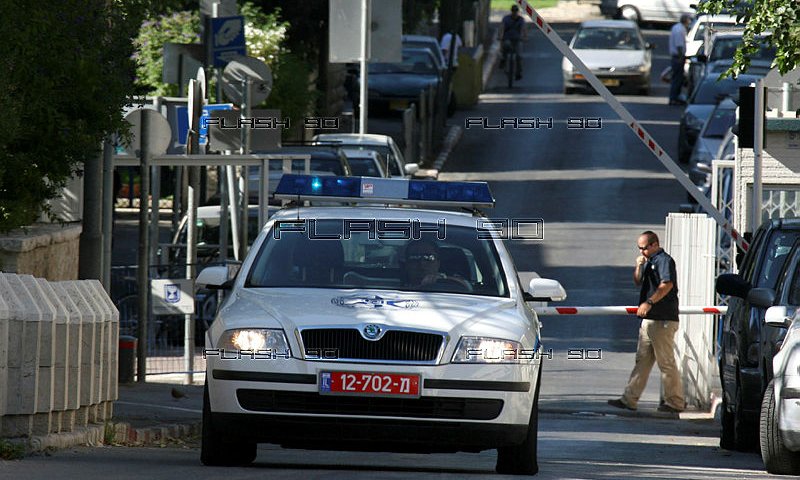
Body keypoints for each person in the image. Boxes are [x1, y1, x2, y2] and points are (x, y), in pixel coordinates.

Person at [608, 231, 686, 414]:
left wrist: (649, 302)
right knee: (642, 361)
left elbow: (667, 285)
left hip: (662, 319)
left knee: (666, 362)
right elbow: (638, 281)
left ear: (654, 244)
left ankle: (674, 402)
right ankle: (629, 399)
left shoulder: (664, 260)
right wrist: (638, 266)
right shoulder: (648, 261)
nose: (642, 251)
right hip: (649, 320)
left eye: (644, 248)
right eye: (639, 248)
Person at [403, 240, 470, 290]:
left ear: (438, 263)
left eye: (429, 257)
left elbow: (468, 287)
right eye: (414, 257)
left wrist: (442, 281)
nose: (422, 263)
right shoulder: (393, 286)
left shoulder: (451, 287)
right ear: (406, 264)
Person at [668, 13, 692, 105]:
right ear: (685, 20)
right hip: (677, 57)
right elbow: (679, 45)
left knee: (678, 78)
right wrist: (681, 57)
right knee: (677, 78)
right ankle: (673, 97)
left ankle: (675, 96)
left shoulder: (677, 27)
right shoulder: (679, 29)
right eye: (689, 20)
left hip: (676, 57)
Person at [499, 5, 527, 80]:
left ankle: (518, 72)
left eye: (516, 11)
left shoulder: (521, 20)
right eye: (513, 11)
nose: (514, 13)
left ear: (518, 12)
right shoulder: (506, 19)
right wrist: (500, 37)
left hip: (517, 39)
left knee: (519, 56)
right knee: (506, 46)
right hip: (507, 38)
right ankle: (503, 60)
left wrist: (525, 37)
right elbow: (502, 28)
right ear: (511, 11)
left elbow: (524, 29)